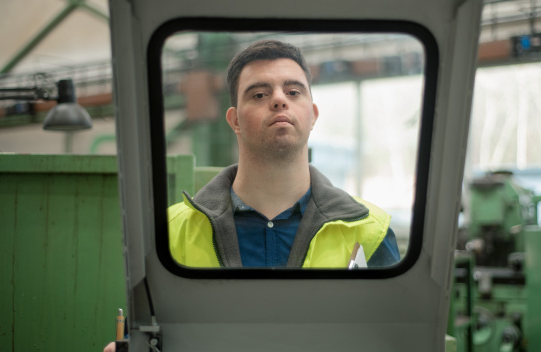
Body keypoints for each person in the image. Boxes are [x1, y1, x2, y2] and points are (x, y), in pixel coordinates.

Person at [104, 39, 400, 352]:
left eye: (293, 91)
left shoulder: (371, 231)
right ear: (234, 121)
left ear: (312, 115)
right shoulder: (170, 233)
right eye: (259, 94)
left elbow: (399, 339)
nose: (279, 100)